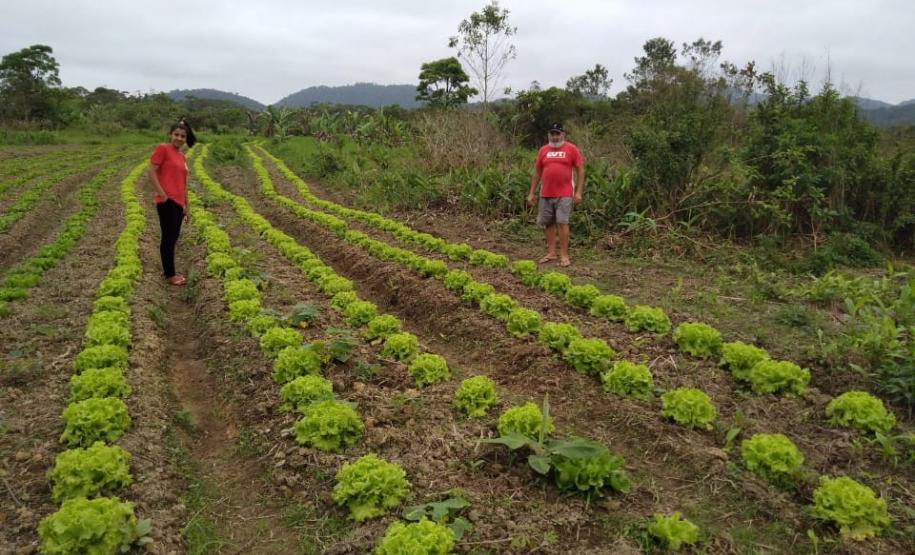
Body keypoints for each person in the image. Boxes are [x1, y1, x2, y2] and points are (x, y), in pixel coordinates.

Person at [527, 122, 584, 267]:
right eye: (552, 134)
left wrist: (578, 192)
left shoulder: (571, 149)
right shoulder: (543, 150)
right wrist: (532, 192)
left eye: (557, 134)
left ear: (562, 135)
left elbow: (580, 170)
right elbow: (537, 172)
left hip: (565, 193)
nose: (554, 136)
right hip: (546, 193)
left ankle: (564, 255)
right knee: (548, 223)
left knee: (562, 223)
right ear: (549, 135)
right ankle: (551, 253)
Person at [150, 119, 196, 285]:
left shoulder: (181, 156)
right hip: (167, 201)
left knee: (173, 237)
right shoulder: (163, 149)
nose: (179, 138)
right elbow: (151, 171)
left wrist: (186, 206)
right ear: (170, 135)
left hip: (178, 203)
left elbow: (183, 183)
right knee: (168, 238)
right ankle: (170, 275)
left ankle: (170, 271)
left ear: (185, 138)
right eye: (176, 134)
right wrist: (163, 195)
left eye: (183, 136)